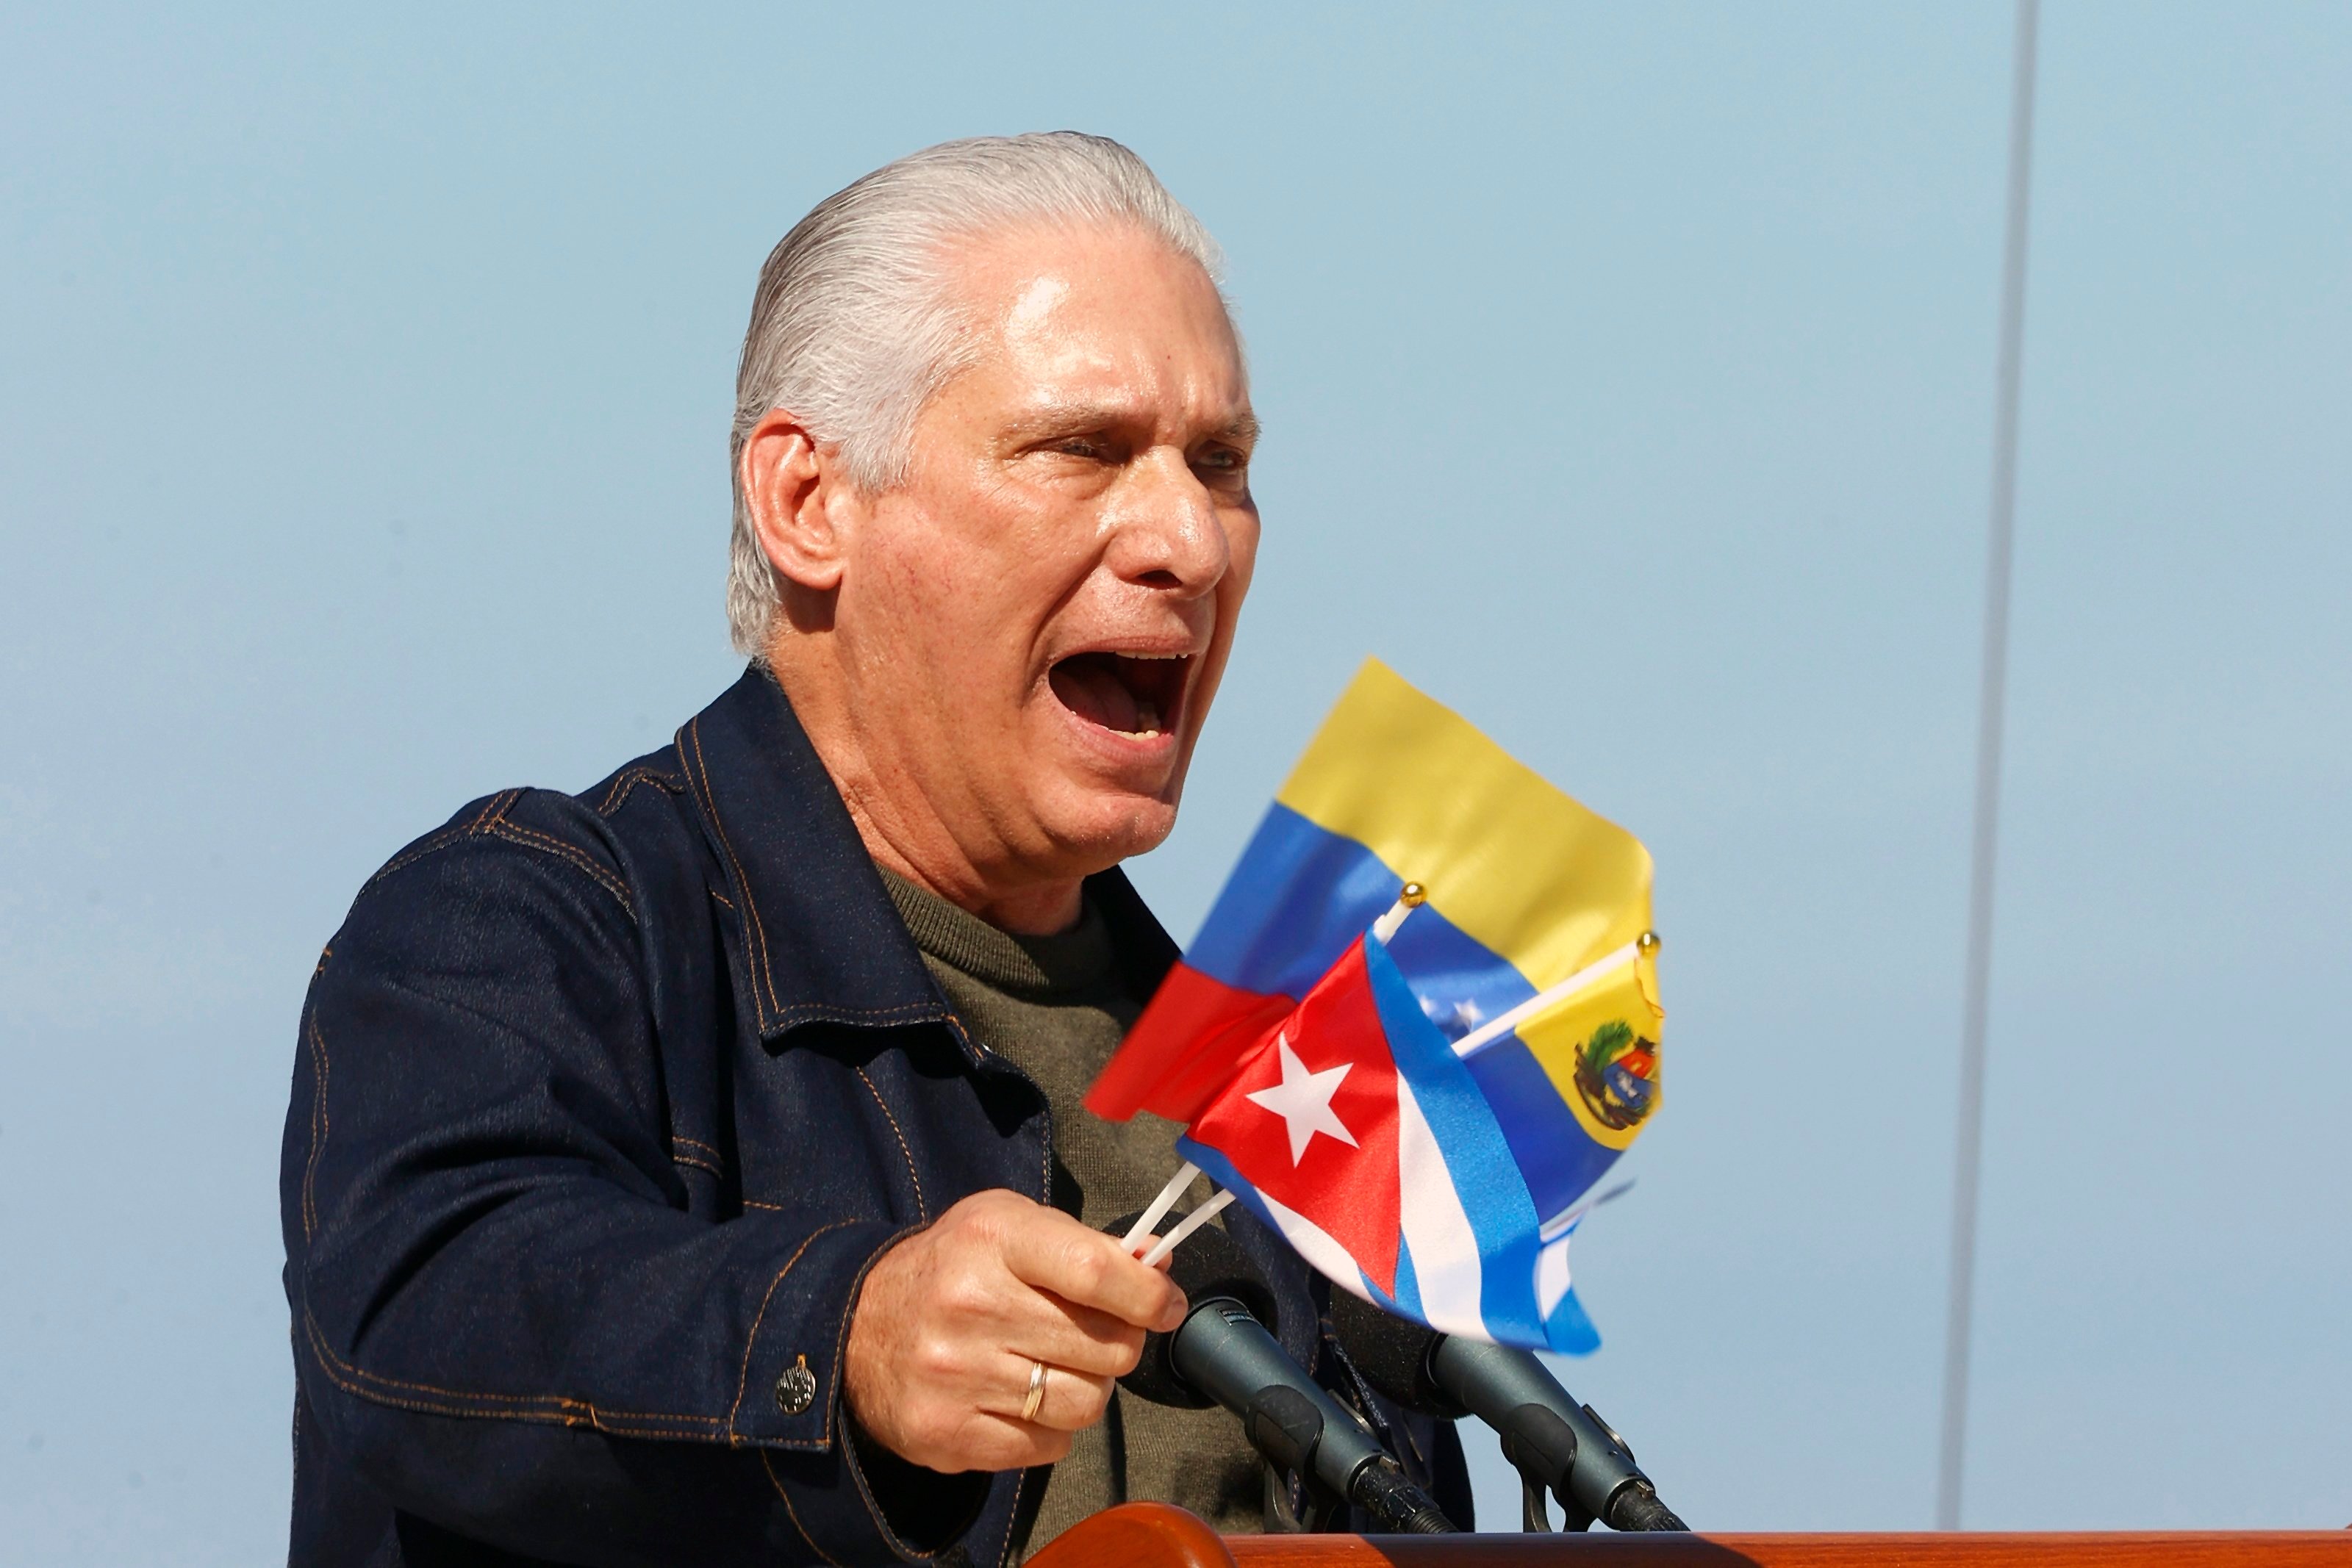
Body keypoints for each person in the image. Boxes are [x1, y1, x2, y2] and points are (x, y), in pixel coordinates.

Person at [280, 132, 1469, 1567]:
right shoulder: (531, 924)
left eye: (1219, 465)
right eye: (1081, 449)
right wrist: (846, 1333)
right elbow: (430, 1309)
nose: (1190, 542)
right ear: (807, 501)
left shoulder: (1276, 1077)